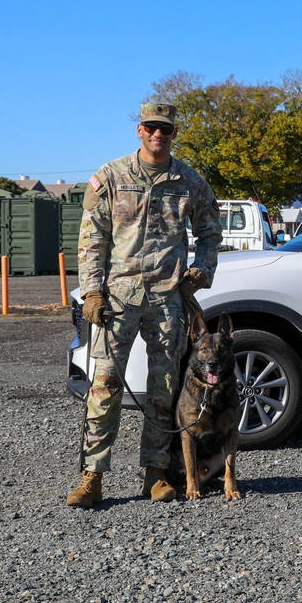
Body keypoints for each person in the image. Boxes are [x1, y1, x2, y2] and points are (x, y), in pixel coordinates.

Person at [66, 103, 222, 508]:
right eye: (152, 127)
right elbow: (92, 238)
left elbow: (210, 233)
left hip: (167, 299)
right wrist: (93, 291)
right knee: (104, 385)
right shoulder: (112, 177)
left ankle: (155, 474)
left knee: (164, 389)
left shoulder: (189, 181)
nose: (158, 134)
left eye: (166, 129)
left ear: (173, 134)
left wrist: (201, 272)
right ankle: (92, 476)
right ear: (139, 130)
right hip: (117, 300)